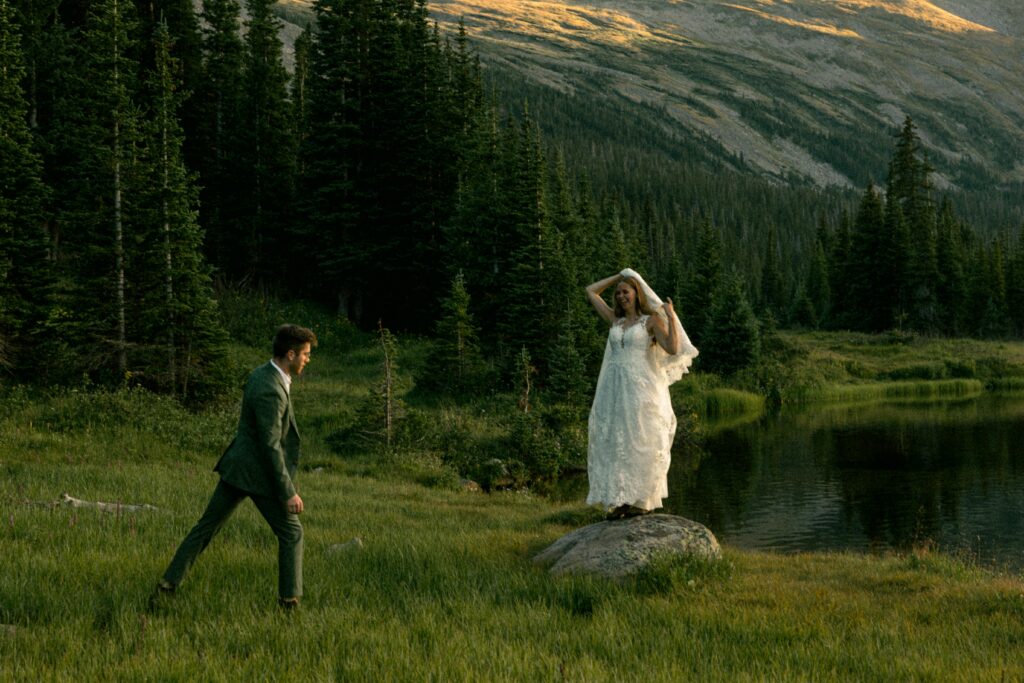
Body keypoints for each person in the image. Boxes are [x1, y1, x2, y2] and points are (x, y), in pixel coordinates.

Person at [155, 324, 317, 609]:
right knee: (292, 533)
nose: (307, 359)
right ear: (290, 354)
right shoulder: (271, 390)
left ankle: (168, 584)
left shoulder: (261, 373)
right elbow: (270, 445)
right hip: (258, 473)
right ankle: (288, 602)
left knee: (206, 528)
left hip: (238, 468)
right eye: (305, 354)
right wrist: (288, 491)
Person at [584, 268, 698, 519]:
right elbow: (590, 291)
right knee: (618, 441)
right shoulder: (616, 321)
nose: (621, 296)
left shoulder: (651, 321)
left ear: (637, 294)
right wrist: (619, 276)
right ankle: (621, 500)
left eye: (626, 292)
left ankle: (643, 501)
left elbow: (672, 348)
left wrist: (670, 315)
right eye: (618, 294)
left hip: (643, 391)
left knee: (642, 441)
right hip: (615, 391)